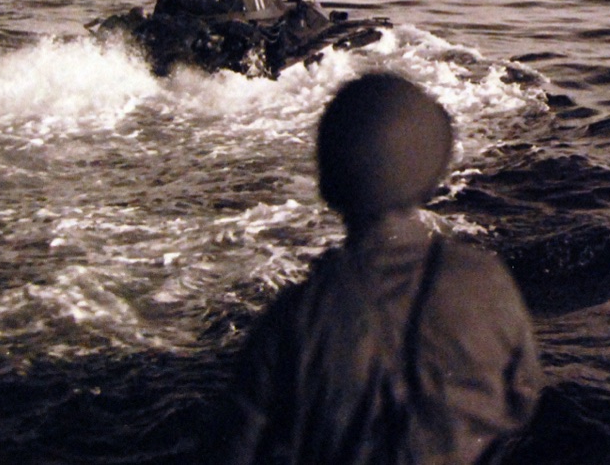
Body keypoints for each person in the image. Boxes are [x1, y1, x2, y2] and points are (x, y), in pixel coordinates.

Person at [207, 72, 543, 465]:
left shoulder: (295, 319)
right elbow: (524, 398)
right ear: (435, 172)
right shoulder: (486, 282)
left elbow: (234, 449)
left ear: (328, 183)